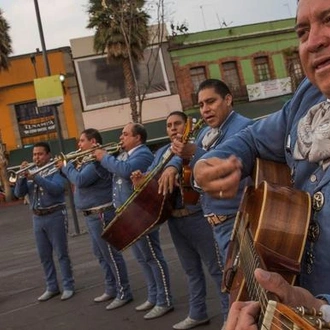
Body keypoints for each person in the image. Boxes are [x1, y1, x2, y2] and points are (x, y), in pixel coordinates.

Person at [194, 0, 330, 327]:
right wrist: (210, 163)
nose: (313, 41)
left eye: (328, 20)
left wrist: (320, 310)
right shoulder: (308, 96)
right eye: (302, 31)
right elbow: (254, 137)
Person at [131, 111, 227, 330]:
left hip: (199, 217)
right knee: (191, 270)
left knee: (217, 270)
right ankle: (197, 313)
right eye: (169, 125)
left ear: (186, 127)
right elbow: (151, 177)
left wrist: (173, 166)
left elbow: (183, 157)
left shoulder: (195, 144)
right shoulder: (162, 151)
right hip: (175, 219)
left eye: (177, 124)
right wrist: (141, 181)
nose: (173, 128)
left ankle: (230, 316)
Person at [171, 79, 253, 321]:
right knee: (229, 285)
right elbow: (190, 160)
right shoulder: (207, 132)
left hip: (237, 223)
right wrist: (174, 164)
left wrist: (194, 153)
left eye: (211, 101)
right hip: (216, 223)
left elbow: (229, 166)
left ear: (228, 99)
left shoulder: (243, 128)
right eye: (200, 104)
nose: (205, 109)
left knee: (239, 291)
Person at [94, 122, 173, 318]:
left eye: (125, 134)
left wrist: (104, 156)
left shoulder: (143, 154)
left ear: (138, 138)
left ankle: (164, 300)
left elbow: (124, 170)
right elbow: (111, 172)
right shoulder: (122, 154)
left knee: (152, 257)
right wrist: (97, 160)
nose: (121, 138)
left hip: (141, 213)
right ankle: (153, 296)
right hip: (126, 213)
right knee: (141, 258)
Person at [57, 128, 132, 305]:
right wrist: (66, 168)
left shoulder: (94, 162)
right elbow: (75, 177)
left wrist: (66, 167)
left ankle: (124, 292)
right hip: (91, 215)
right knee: (100, 254)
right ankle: (111, 288)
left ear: (93, 142)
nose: (79, 144)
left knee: (111, 255)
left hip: (101, 212)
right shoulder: (85, 161)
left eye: (82, 141)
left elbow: (81, 180)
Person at [14, 142, 75, 301]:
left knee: (61, 253)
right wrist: (21, 177)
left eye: (40, 154)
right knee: (44, 255)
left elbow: (56, 189)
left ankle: (68, 285)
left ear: (48, 155)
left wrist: (37, 177)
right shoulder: (31, 171)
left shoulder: (55, 169)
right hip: (37, 217)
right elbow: (19, 193)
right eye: (34, 154)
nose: (36, 157)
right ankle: (52, 286)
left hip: (55, 215)